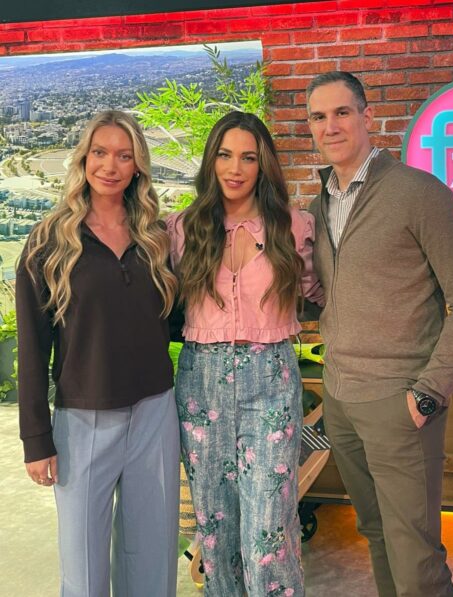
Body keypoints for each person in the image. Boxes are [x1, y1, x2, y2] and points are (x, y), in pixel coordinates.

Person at [306, 71, 453, 597]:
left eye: (342, 112)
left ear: (368, 116)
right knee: (376, 534)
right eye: (318, 117)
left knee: (416, 560)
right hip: (340, 398)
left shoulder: (419, 193)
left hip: (399, 400)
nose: (330, 126)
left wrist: (427, 394)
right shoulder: (319, 206)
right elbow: (335, 297)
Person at [16, 110, 180, 597]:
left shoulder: (157, 238)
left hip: (155, 412)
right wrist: (36, 439)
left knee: (152, 558)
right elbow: (32, 347)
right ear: (83, 158)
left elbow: (178, 319)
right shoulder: (48, 242)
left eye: (124, 156)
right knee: (84, 570)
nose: (110, 166)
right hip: (82, 420)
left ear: (138, 166)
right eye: (100, 153)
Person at [166, 110, 324, 597]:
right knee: (215, 528)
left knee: (268, 531)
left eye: (249, 158)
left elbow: (320, 293)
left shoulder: (293, 226)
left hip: (270, 376)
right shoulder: (182, 228)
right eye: (225, 155)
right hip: (201, 381)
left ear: (263, 165)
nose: (235, 168)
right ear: (211, 161)